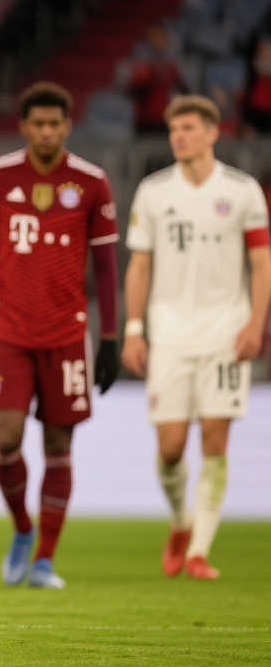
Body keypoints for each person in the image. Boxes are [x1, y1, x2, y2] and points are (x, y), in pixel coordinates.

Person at [0, 82, 121, 589]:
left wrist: (111, 337)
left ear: (68, 126)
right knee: (7, 438)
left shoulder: (91, 183)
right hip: (9, 333)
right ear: (24, 126)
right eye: (39, 124)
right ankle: (22, 529)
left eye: (55, 124)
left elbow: (106, 267)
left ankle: (46, 560)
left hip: (66, 335)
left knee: (58, 444)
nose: (47, 132)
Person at [122, 95, 270, 580]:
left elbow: (261, 263)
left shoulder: (243, 191)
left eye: (188, 128)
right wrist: (135, 328)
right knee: (169, 447)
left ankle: (200, 551)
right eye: (174, 129)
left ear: (212, 133)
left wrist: (256, 323)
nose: (179, 137)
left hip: (226, 330)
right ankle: (180, 522)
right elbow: (139, 266)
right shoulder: (153, 192)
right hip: (169, 333)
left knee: (215, 437)